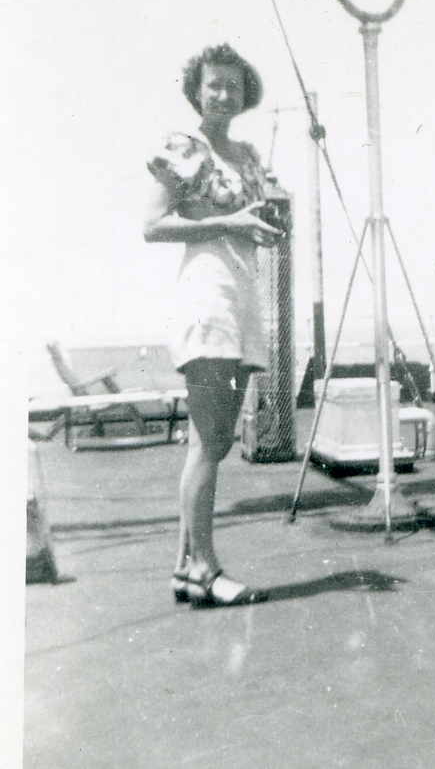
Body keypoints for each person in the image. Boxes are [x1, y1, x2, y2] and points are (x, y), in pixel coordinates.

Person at [144, 43, 283, 606]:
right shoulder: (183, 147)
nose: (224, 94)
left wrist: (257, 225)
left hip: (243, 297)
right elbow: (152, 225)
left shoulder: (247, 155)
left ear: (245, 93)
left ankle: (186, 567)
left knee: (217, 439)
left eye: (233, 85)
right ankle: (203, 568)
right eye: (214, 84)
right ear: (197, 91)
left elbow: (247, 220)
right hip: (207, 297)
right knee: (210, 439)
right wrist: (229, 222)